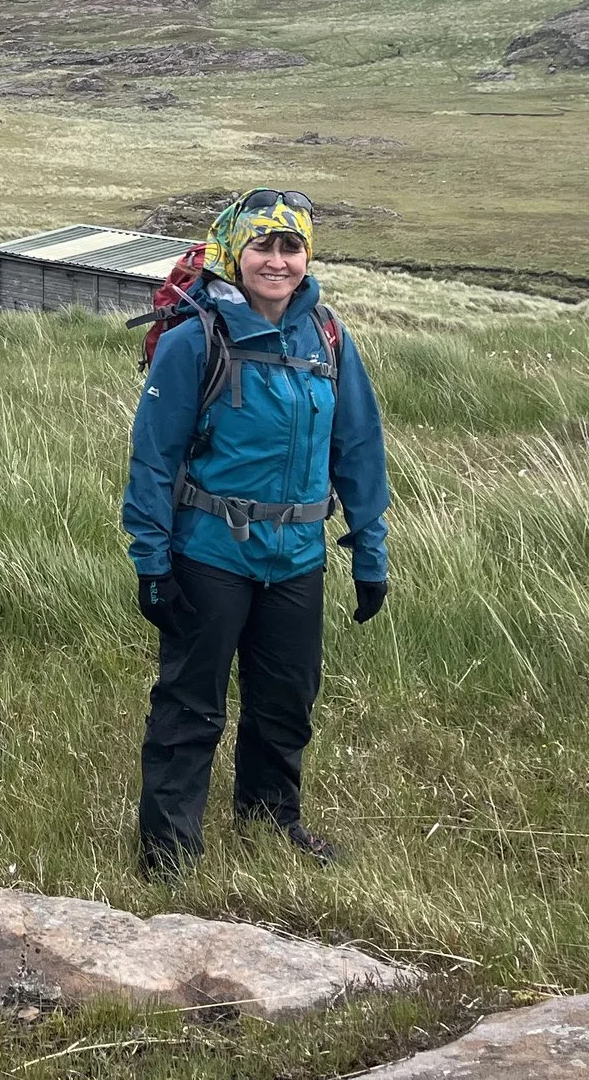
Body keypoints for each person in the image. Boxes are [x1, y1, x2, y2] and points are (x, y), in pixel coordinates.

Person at [121, 190, 390, 875]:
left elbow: (358, 446)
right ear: (233, 254)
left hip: (296, 556)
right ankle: (168, 853)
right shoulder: (195, 339)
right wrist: (152, 562)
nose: (277, 260)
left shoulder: (328, 335)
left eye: (289, 245)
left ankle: (272, 823)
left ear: (307, 255)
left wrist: (370, 551)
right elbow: (153, 458)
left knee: (287, 699)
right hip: (210, 553)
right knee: (190, 705)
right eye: (262, 246)